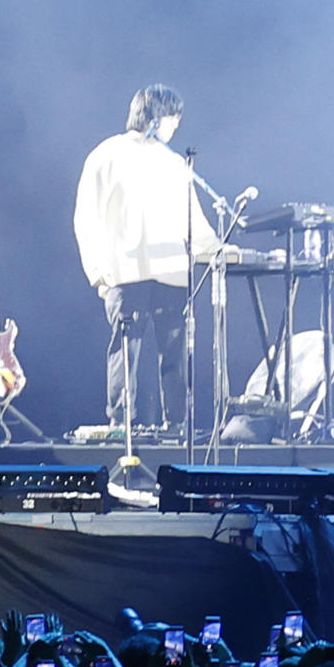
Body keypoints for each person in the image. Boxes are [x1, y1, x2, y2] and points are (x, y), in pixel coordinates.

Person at [73, 84, 223, 434]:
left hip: (171, 272)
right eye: (173, 118)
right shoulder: (106, 155)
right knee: (126, 350)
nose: (176, 126)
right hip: (124, 272)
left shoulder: (174, 163)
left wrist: (217, 249)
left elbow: (193, 221)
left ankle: (177, 424)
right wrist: (97, 270)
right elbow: (86, 216)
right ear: (156, 116)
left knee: (174, 351)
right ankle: (120, 424)